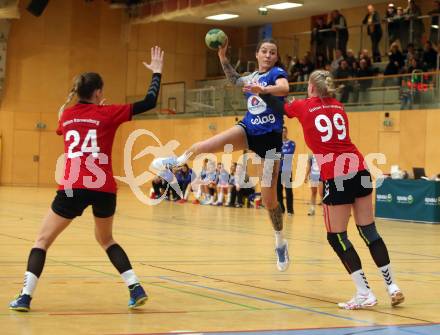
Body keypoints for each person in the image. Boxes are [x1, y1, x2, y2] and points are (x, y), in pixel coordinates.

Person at [9, 47, 164, 312]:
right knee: (107, 240)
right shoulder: (108, 113)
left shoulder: (66, 115)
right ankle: (135, 286)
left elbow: (68, 126)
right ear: (99, 92)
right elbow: (149, 102)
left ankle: (25, 296)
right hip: (104, 188)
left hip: (72, 187)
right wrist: (157, 72)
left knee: (42, 241)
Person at [256, 70, 405, 309]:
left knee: (336, 237)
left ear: (312, 88)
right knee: (369, 231)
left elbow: (278, 103)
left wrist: (259, 90)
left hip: (337, 175)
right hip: (361, 169)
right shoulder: (338, 106)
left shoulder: (304, 106)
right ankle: (392, 286)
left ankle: (364, 292)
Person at [152, 37, 291, 272]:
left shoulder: (277, 73)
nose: (268, 55)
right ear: (257, 54)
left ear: (276, 58)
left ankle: (280, 242)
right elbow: (235, 79)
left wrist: (263, 89)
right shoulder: (250, 77)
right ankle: (176, 161)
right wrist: (222, 57)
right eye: (264, 51)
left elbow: (284, 88)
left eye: (272, 52)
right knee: (206, 145)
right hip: (248, 130)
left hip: (270, 142)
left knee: (269, 201)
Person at [277, 126, 295, 216]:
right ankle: (281, 209)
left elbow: (290, 153)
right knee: (278, 191)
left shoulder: (291, 143)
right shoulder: (276, 143)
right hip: (278, 170)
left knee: (288, 190)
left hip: (287, 170)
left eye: (285, 131)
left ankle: (290, 210)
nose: (283, 133)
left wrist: (281, 154)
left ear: (287, 132)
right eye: (282, 131)